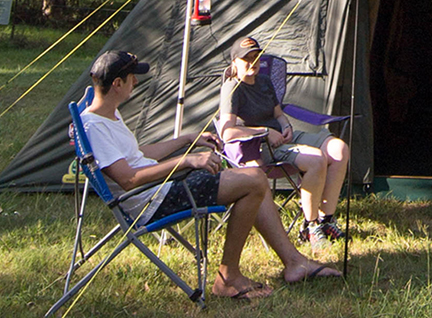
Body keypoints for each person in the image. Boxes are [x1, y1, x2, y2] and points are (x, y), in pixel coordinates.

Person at [81, 50, 340, 301]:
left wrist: (188, 139)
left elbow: (136, 154)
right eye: (132, 77)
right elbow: (129, 179)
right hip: (150, 201)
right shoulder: (95, 126)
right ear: (117, 83)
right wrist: (187, 160)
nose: (136, 81)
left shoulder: (108, 115)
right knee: (254, 180)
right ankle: (229, 278)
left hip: (159, 189)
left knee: (252, 178)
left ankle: (293, 263)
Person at [218, 37, 349, 250]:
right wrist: (264, 132)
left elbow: (278, 114)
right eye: (246, 59)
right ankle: (310, 225)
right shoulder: (232, 89)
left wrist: (285, 125)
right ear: (234, 62)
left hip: (282, 138)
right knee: (316, 159)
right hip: (258, 147)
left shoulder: (264, 82)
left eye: (256, 57)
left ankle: (327, 220)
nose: (253, 63)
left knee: (339, 149)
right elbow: (227, 133)